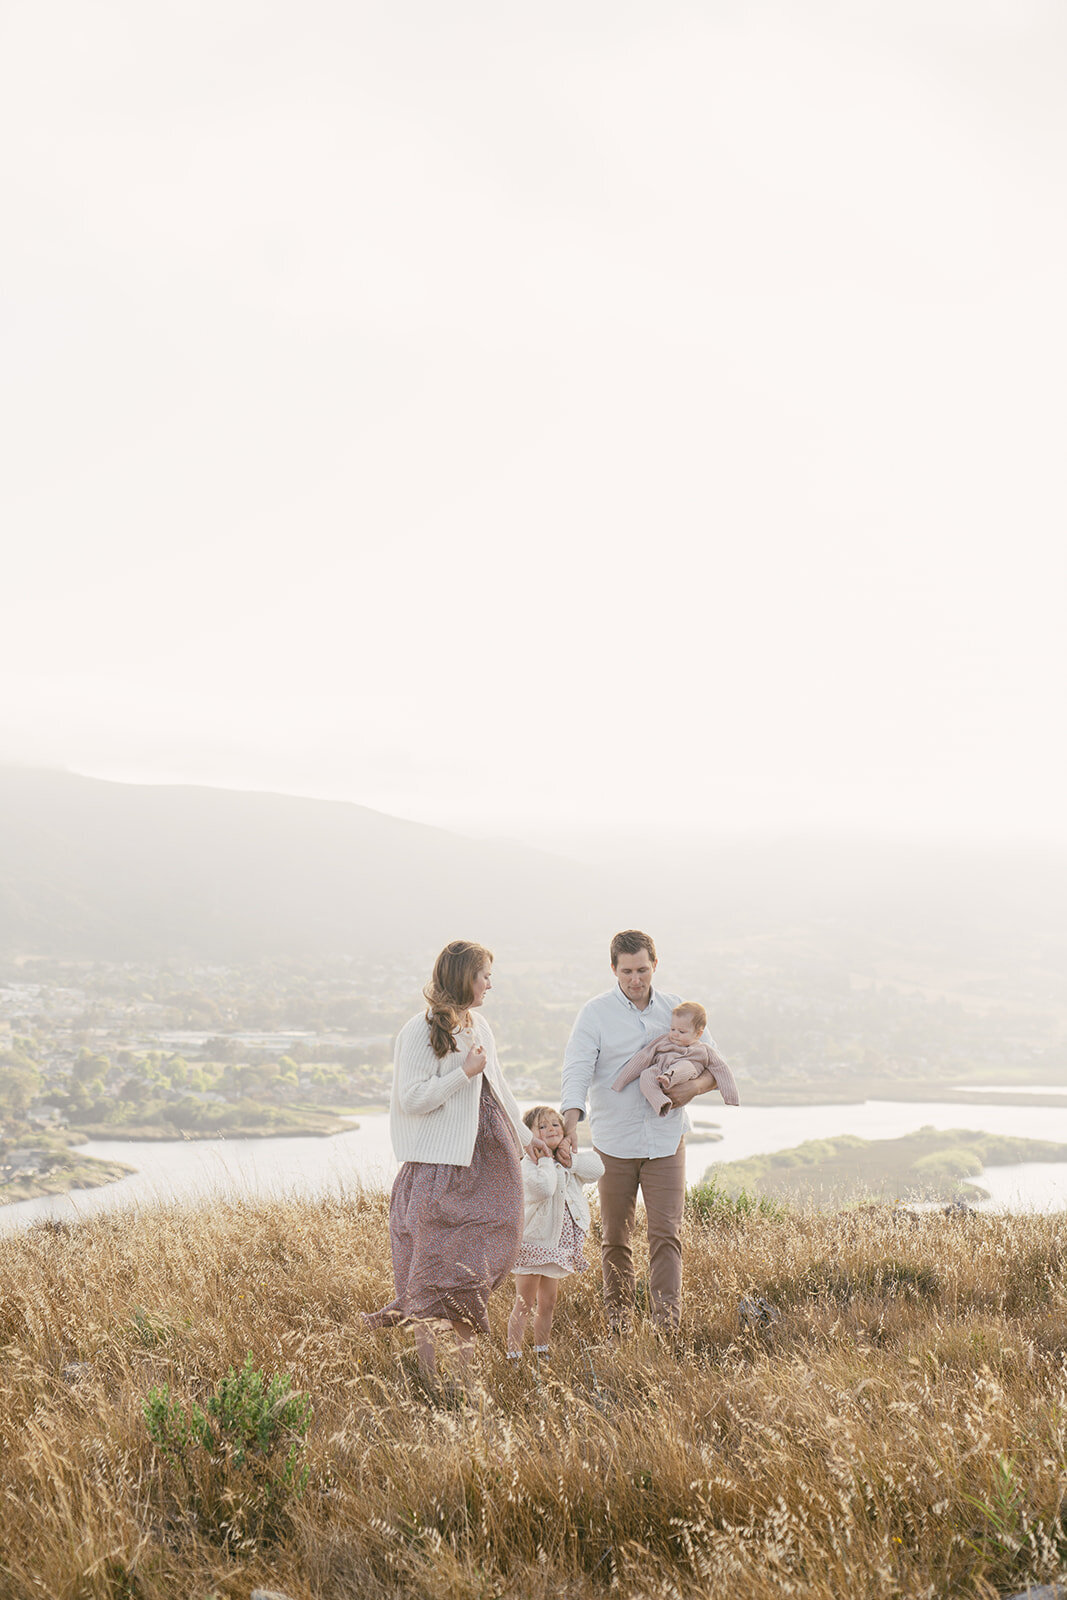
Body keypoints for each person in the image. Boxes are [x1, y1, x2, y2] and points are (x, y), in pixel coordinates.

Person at [363, 940, 550, 1378]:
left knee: (473, 1272)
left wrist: (525, 1138)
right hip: (438, 1170)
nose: (490, 983)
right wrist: (461, 1073)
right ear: (464, 976)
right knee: (431, 1275)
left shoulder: (479, 1024)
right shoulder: (419, 1030)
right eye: (484, 975)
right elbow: (411, 1099)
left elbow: (498, 1084)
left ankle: (462, 1380)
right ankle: (429, 1380)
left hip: (488, 1164)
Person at [560, 930, 736, 1331]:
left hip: (665, 1140)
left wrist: (692, 1088)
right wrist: (571, 1119)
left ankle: (666, 1329)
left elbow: (715, 1063)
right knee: (616, 1238)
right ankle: (619, 1324)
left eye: (642, 970)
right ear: (613, 970)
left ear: (655, 965)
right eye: (626, 972)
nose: (635, 979)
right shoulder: (595, 1013)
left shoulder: (679, 1009)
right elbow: (577, 1068)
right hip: (613, 1143)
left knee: (666, 1236)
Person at [506, 1105, 604, 1362]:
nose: (550, 1129)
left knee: (548, 1302)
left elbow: (598, 1169)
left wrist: (571, 1159)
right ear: (530, 1135)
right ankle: (514, 1355)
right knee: (525, 1302)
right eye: (542, 1126)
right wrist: (547, 1160)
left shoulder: (568, 1163)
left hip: (558, 1247)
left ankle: (541, 1351)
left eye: (555, 1125)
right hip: (533, 1243)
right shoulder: (528, 1165)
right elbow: (544, 1188)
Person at [611, 1001, 740, 1116]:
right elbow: (643, 1057)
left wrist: (731, 1097)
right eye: (673, 1029)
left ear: (698, 1033)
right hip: (660, 1070)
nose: (675, 1034)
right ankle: (662, 1102)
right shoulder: (663, 1041)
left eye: (682, 1032)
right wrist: (621, 1082)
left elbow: (721, 1068)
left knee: (684, 1066)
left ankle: (669, 1077)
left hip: (687, 1070)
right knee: (646, 1074)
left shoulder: (704, 1049)